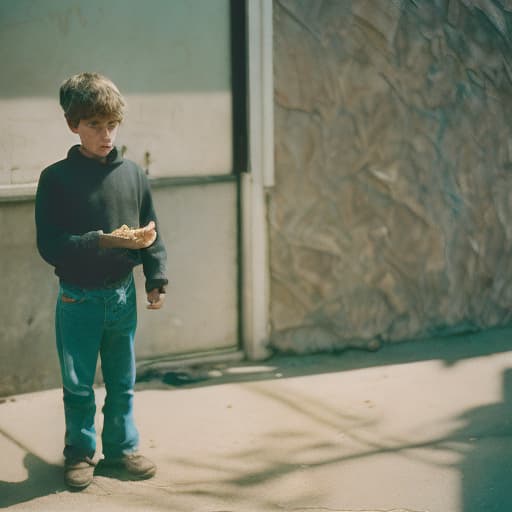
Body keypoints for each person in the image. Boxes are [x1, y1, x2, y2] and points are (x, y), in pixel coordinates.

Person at [35, 72, 168, 490]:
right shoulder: (55, 178)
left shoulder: (133, 175)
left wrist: (155, 274)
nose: (106, 134)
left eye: (112, 124)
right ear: (73, 124)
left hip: (122, 296)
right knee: (78, 385)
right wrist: (101, 241)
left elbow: (150, 230)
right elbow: (50, 245)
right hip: (78, 298)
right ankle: (79, 453)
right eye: (94, 125)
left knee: (123, 379)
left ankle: (122, 449)